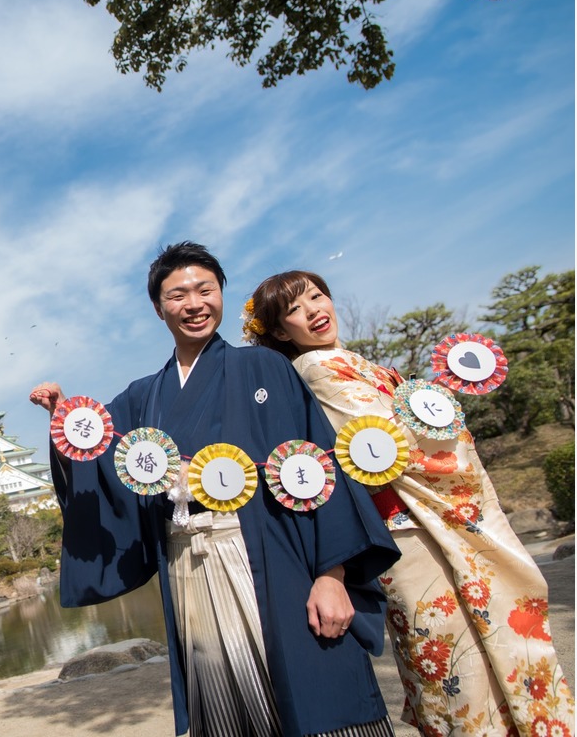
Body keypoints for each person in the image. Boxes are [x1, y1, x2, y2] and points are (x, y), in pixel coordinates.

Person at [29, 242, 401, 737]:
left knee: (317, 691)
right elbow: (99, 467)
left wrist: (332, 576)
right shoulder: (143, 397)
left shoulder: (265, 369)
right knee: (227, 703)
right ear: (159, 308)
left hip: (277, 558)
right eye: (178, 294)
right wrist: (65, 425)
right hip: (189, 563)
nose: (194, 303)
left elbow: (317, 468)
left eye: (205, 289)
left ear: (221, 294)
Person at [246, 269, 575, 737]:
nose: (315, 311)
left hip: (419, 523)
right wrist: (443, 414)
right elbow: (386, 441)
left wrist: (437, 409)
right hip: (408, 530)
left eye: (318, 297)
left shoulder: (353, 362)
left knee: (465, 647)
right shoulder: (316, 369)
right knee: (449, 654)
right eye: (296, 309)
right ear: (280, 332)